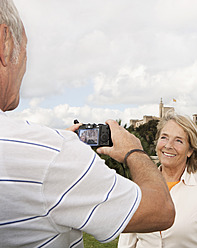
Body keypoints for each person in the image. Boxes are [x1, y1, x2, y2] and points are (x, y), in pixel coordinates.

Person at [0, 1, 175, 247]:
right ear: (4, 43)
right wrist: (135, 152)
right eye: (25, 51)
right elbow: (161, 210)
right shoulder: (54, 155)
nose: (25, 67)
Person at [118, 111, 197, 248]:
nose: (168, 145)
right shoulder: (138, 186)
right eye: (164, 137)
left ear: (190, 151)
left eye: (178, 140)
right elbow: (126, 244)